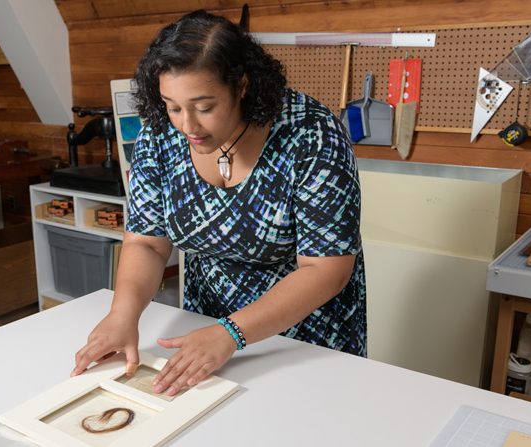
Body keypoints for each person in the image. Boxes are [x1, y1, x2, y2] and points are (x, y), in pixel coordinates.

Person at [71, 10, 366, 397]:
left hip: (305, 337)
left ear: (241, 85)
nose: (187, 126)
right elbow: (146, 241)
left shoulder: (310, 135)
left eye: (204, 106)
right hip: (204, 331)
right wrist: (122, 314)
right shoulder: (160, 135)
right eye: (173, 106)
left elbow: (326, 269)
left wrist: (231, 332)